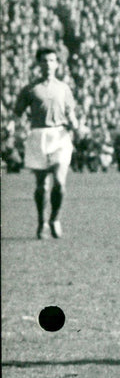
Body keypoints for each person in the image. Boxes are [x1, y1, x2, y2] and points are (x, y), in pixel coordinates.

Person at [13, 46, 80, 239]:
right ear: (38, 64)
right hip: (38, 136)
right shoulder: (30, 89)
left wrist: (74, 123)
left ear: (57, 64)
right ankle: (42, 221)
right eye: (44, 61)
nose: (48, 64)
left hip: (59, 136)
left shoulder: (63, 88)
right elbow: (18, 113)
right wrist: (18, 128)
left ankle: (55, 219)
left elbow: (71, 112)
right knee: (42, 185)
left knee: (59, 182)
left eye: (52, 61)